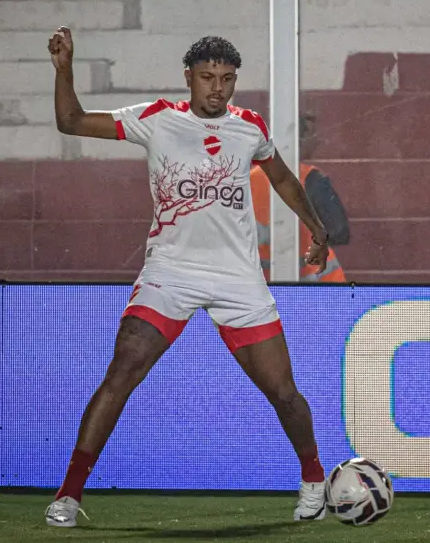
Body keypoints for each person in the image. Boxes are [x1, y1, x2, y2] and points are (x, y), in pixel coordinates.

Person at [43, 28, 331, 527]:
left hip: (238, 279)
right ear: (188, 79)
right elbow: (70, 121)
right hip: (169, 274)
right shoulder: (156, 120)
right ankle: (68, 495)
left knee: (283, 392)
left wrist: (316, 227)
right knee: (122, 372)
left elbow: (282, 177)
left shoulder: (250, 127)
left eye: (226, 79)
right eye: (207, 78)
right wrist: (65, 70)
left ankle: (313, 479)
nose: (217, 88)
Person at [249, 111, 350, 282]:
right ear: (296, 140)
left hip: (263, 286)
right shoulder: (312, 180)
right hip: (318, 287)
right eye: (312, 135)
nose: (318, 141)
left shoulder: (246, 180)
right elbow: (340, 232)